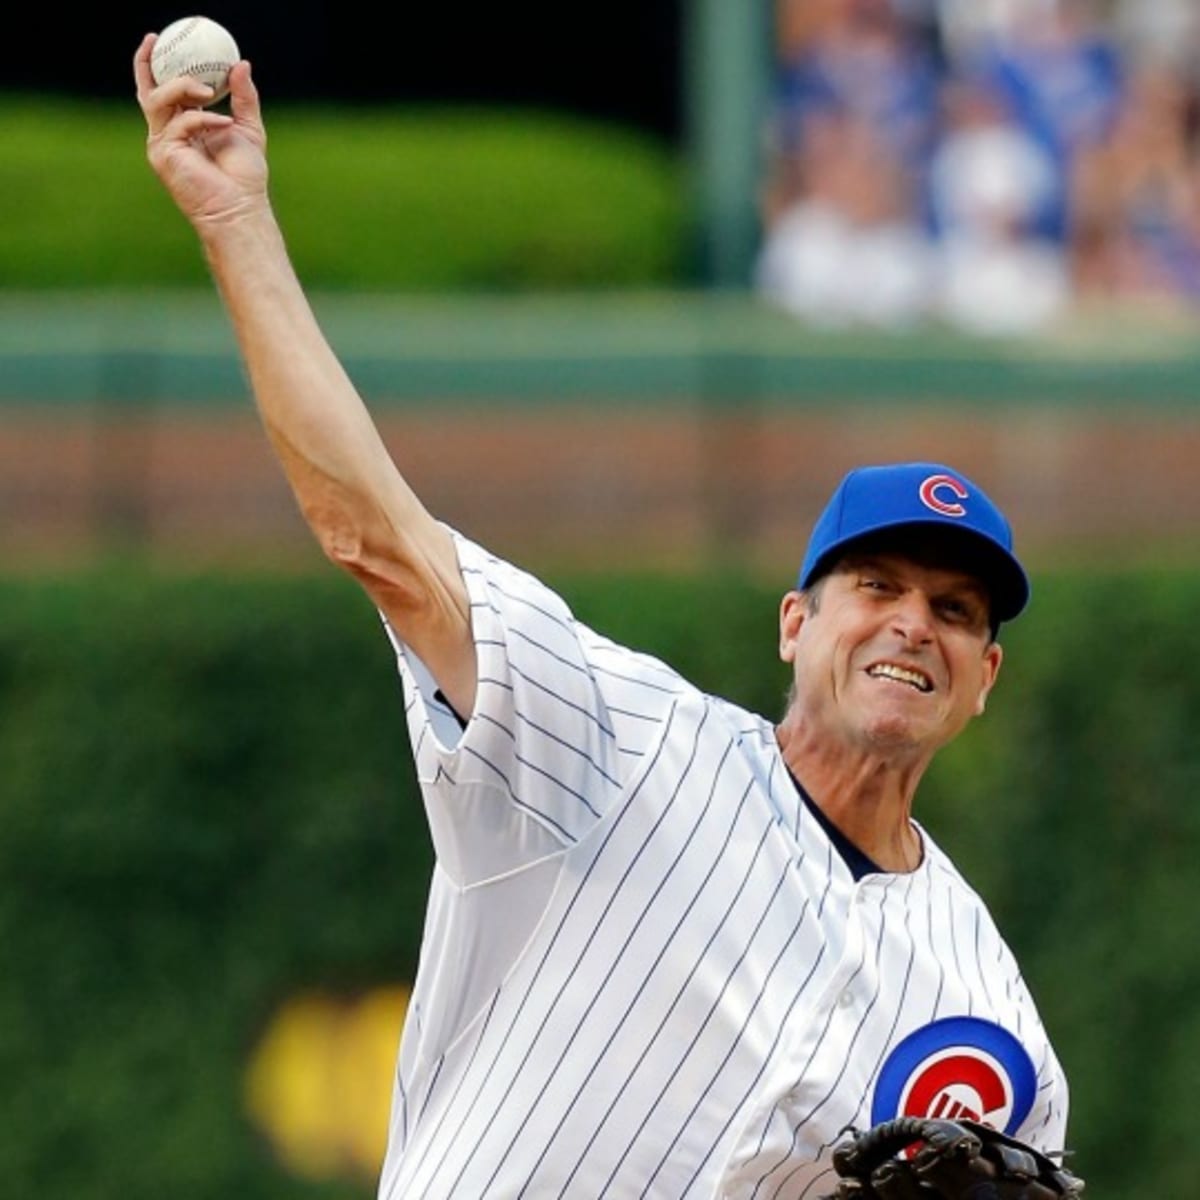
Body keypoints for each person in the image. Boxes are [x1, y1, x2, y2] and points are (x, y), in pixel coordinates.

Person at [133, 35, 1071, 1199]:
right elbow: (376, 538)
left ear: (987, 674)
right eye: (875, 588)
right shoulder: (622, 741)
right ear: (794, 623)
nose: (912, 625)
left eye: (955, 609)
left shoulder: (989, 1017)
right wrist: (238, 225)